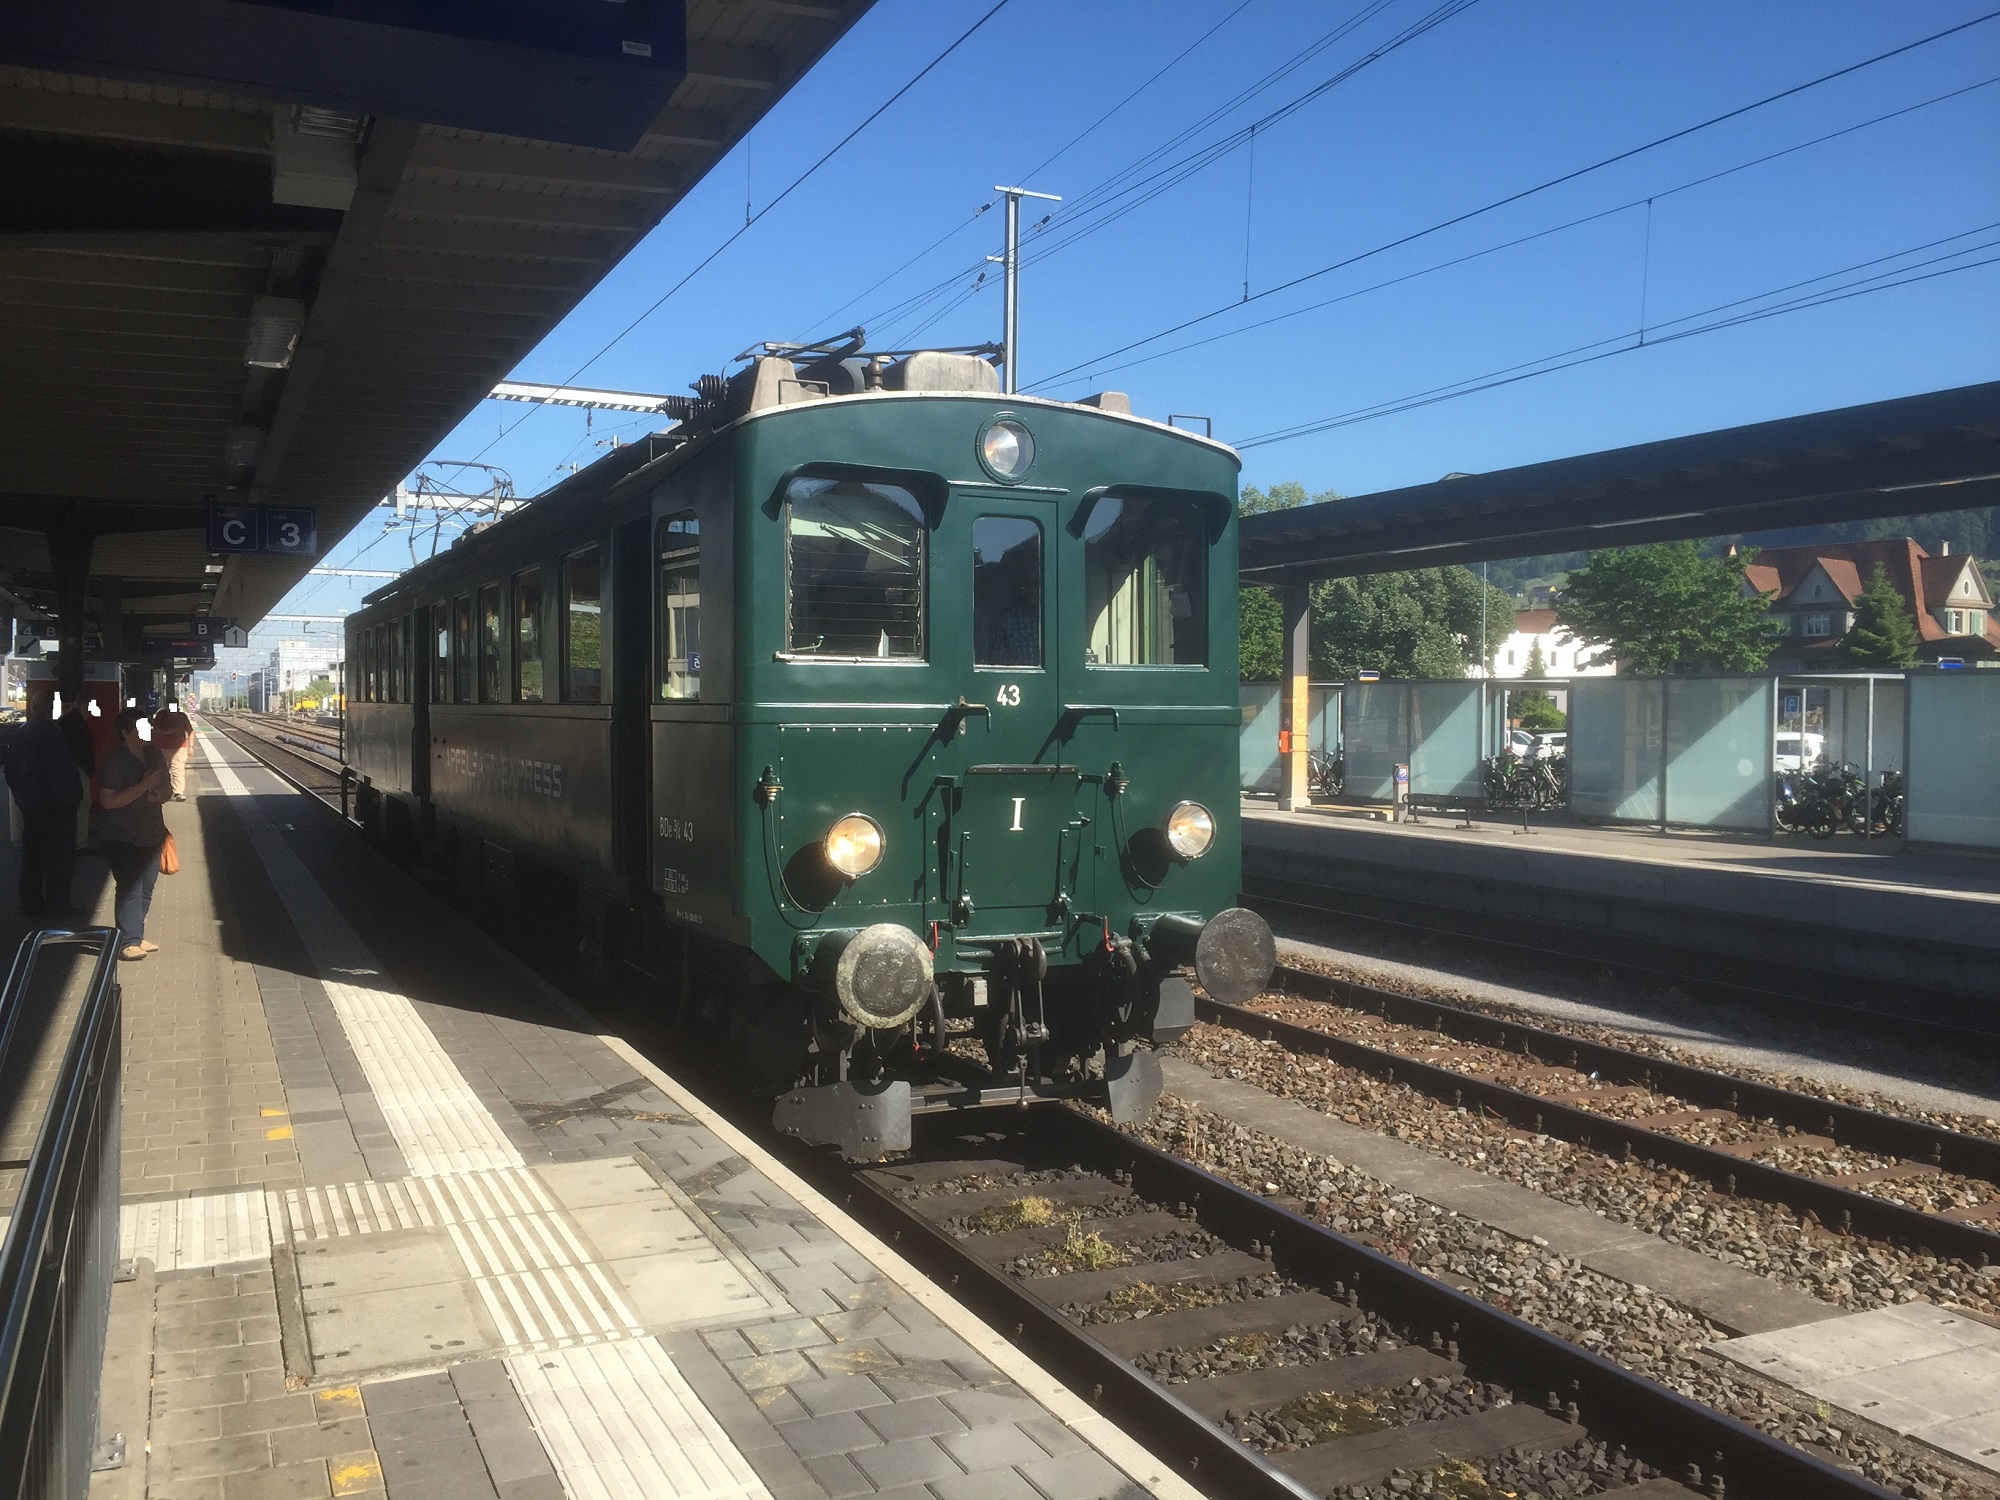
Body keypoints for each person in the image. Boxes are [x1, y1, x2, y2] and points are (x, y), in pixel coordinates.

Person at [97, 707, 169, 961]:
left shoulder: (154, 755)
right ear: (126, 733)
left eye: (148, 726)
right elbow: (108, 801)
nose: (147, 731)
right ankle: (127, 941)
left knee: (146, 887)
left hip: (152, 833)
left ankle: (136, 934)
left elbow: (167, 788)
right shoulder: (116, 762)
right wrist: (144, 786)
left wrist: (160, 795)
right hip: (121, 835)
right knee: (130, 887)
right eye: (141, 727)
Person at [3, 696, 83, 917]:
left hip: (30, 804)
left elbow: (10, 770)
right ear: (52, 708)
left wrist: (21, 796)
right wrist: (72, 799)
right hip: (56, 806)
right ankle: (59, 905)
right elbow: (62, 773)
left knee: (32, 855)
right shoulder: (53, 735)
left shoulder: (21, 733)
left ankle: (30, 902)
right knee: (59, 858)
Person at [152, 702, 193, 800]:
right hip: (163, 747)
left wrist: (190, 746)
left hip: (179, 748)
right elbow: (156, 730)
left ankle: (178, 792)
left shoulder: (182, 716)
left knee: (178, 770)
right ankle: (162, 790)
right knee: (163, 770)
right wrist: (171, 731)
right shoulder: (161, 715)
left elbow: (190, 731)